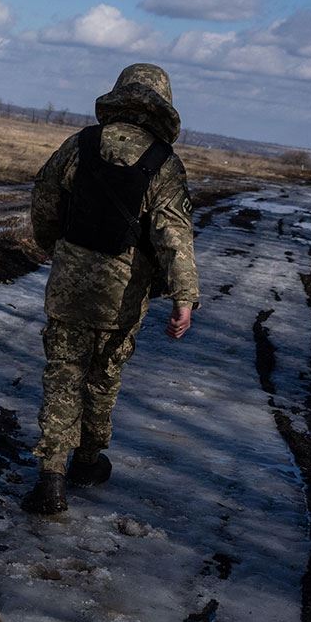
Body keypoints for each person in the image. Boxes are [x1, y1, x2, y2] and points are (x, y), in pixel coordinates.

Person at [22, 63, 200, 515]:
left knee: (62, 376)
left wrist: (55, 247)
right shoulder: (164, 163)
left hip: (68, 286)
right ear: (163, 101)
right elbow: (173, 235)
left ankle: (50, 478)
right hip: (121, 297)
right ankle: (87, 459)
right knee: (103, 377)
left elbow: (44, 198)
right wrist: (183, 297)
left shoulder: (80, 144)